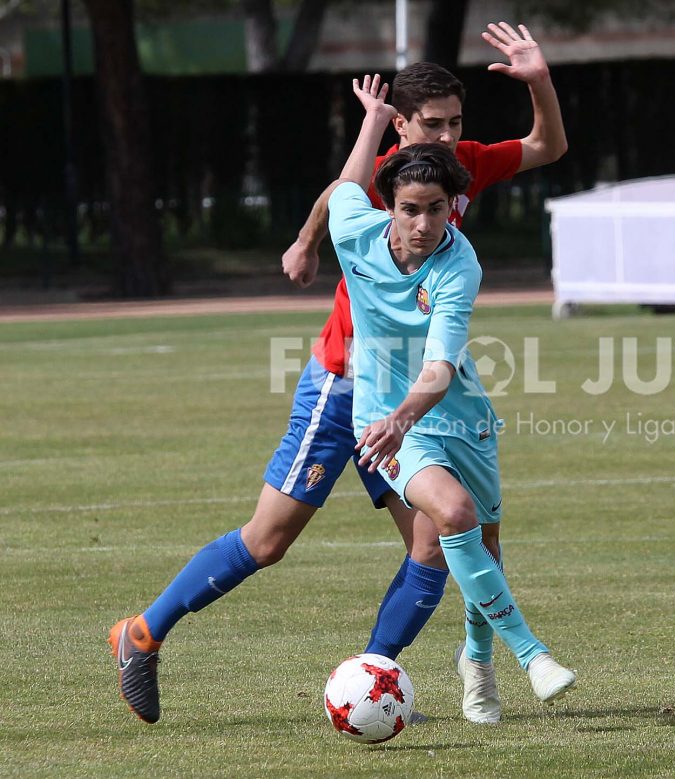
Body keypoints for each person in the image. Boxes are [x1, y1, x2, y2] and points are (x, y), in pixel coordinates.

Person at [108, 22, 567, 726]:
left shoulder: (463, 166)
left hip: (415, 400)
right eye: (432, 125)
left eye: (454, 124)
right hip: (343, 385)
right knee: (269, 540)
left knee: (438, 538)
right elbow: (340, 194)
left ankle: (371, 678)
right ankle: (141, 634)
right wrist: (304, 240)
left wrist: (537, 78)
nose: (445, 138)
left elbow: (548, 147)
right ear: (400, 125)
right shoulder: (388, 180)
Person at [327, 74, 576, 717]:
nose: (425, 223)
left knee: (483, 552)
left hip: (454, 414)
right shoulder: (354, 230)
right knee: (454, 517)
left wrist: (408, 412)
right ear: (389, 208)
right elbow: (348, 189)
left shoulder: (458, 263)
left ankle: (477, 661)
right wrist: (372, 122)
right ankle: (532, 655)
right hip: (386, 426)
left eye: (437, 209)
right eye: (411, 209)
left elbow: (440, 366)